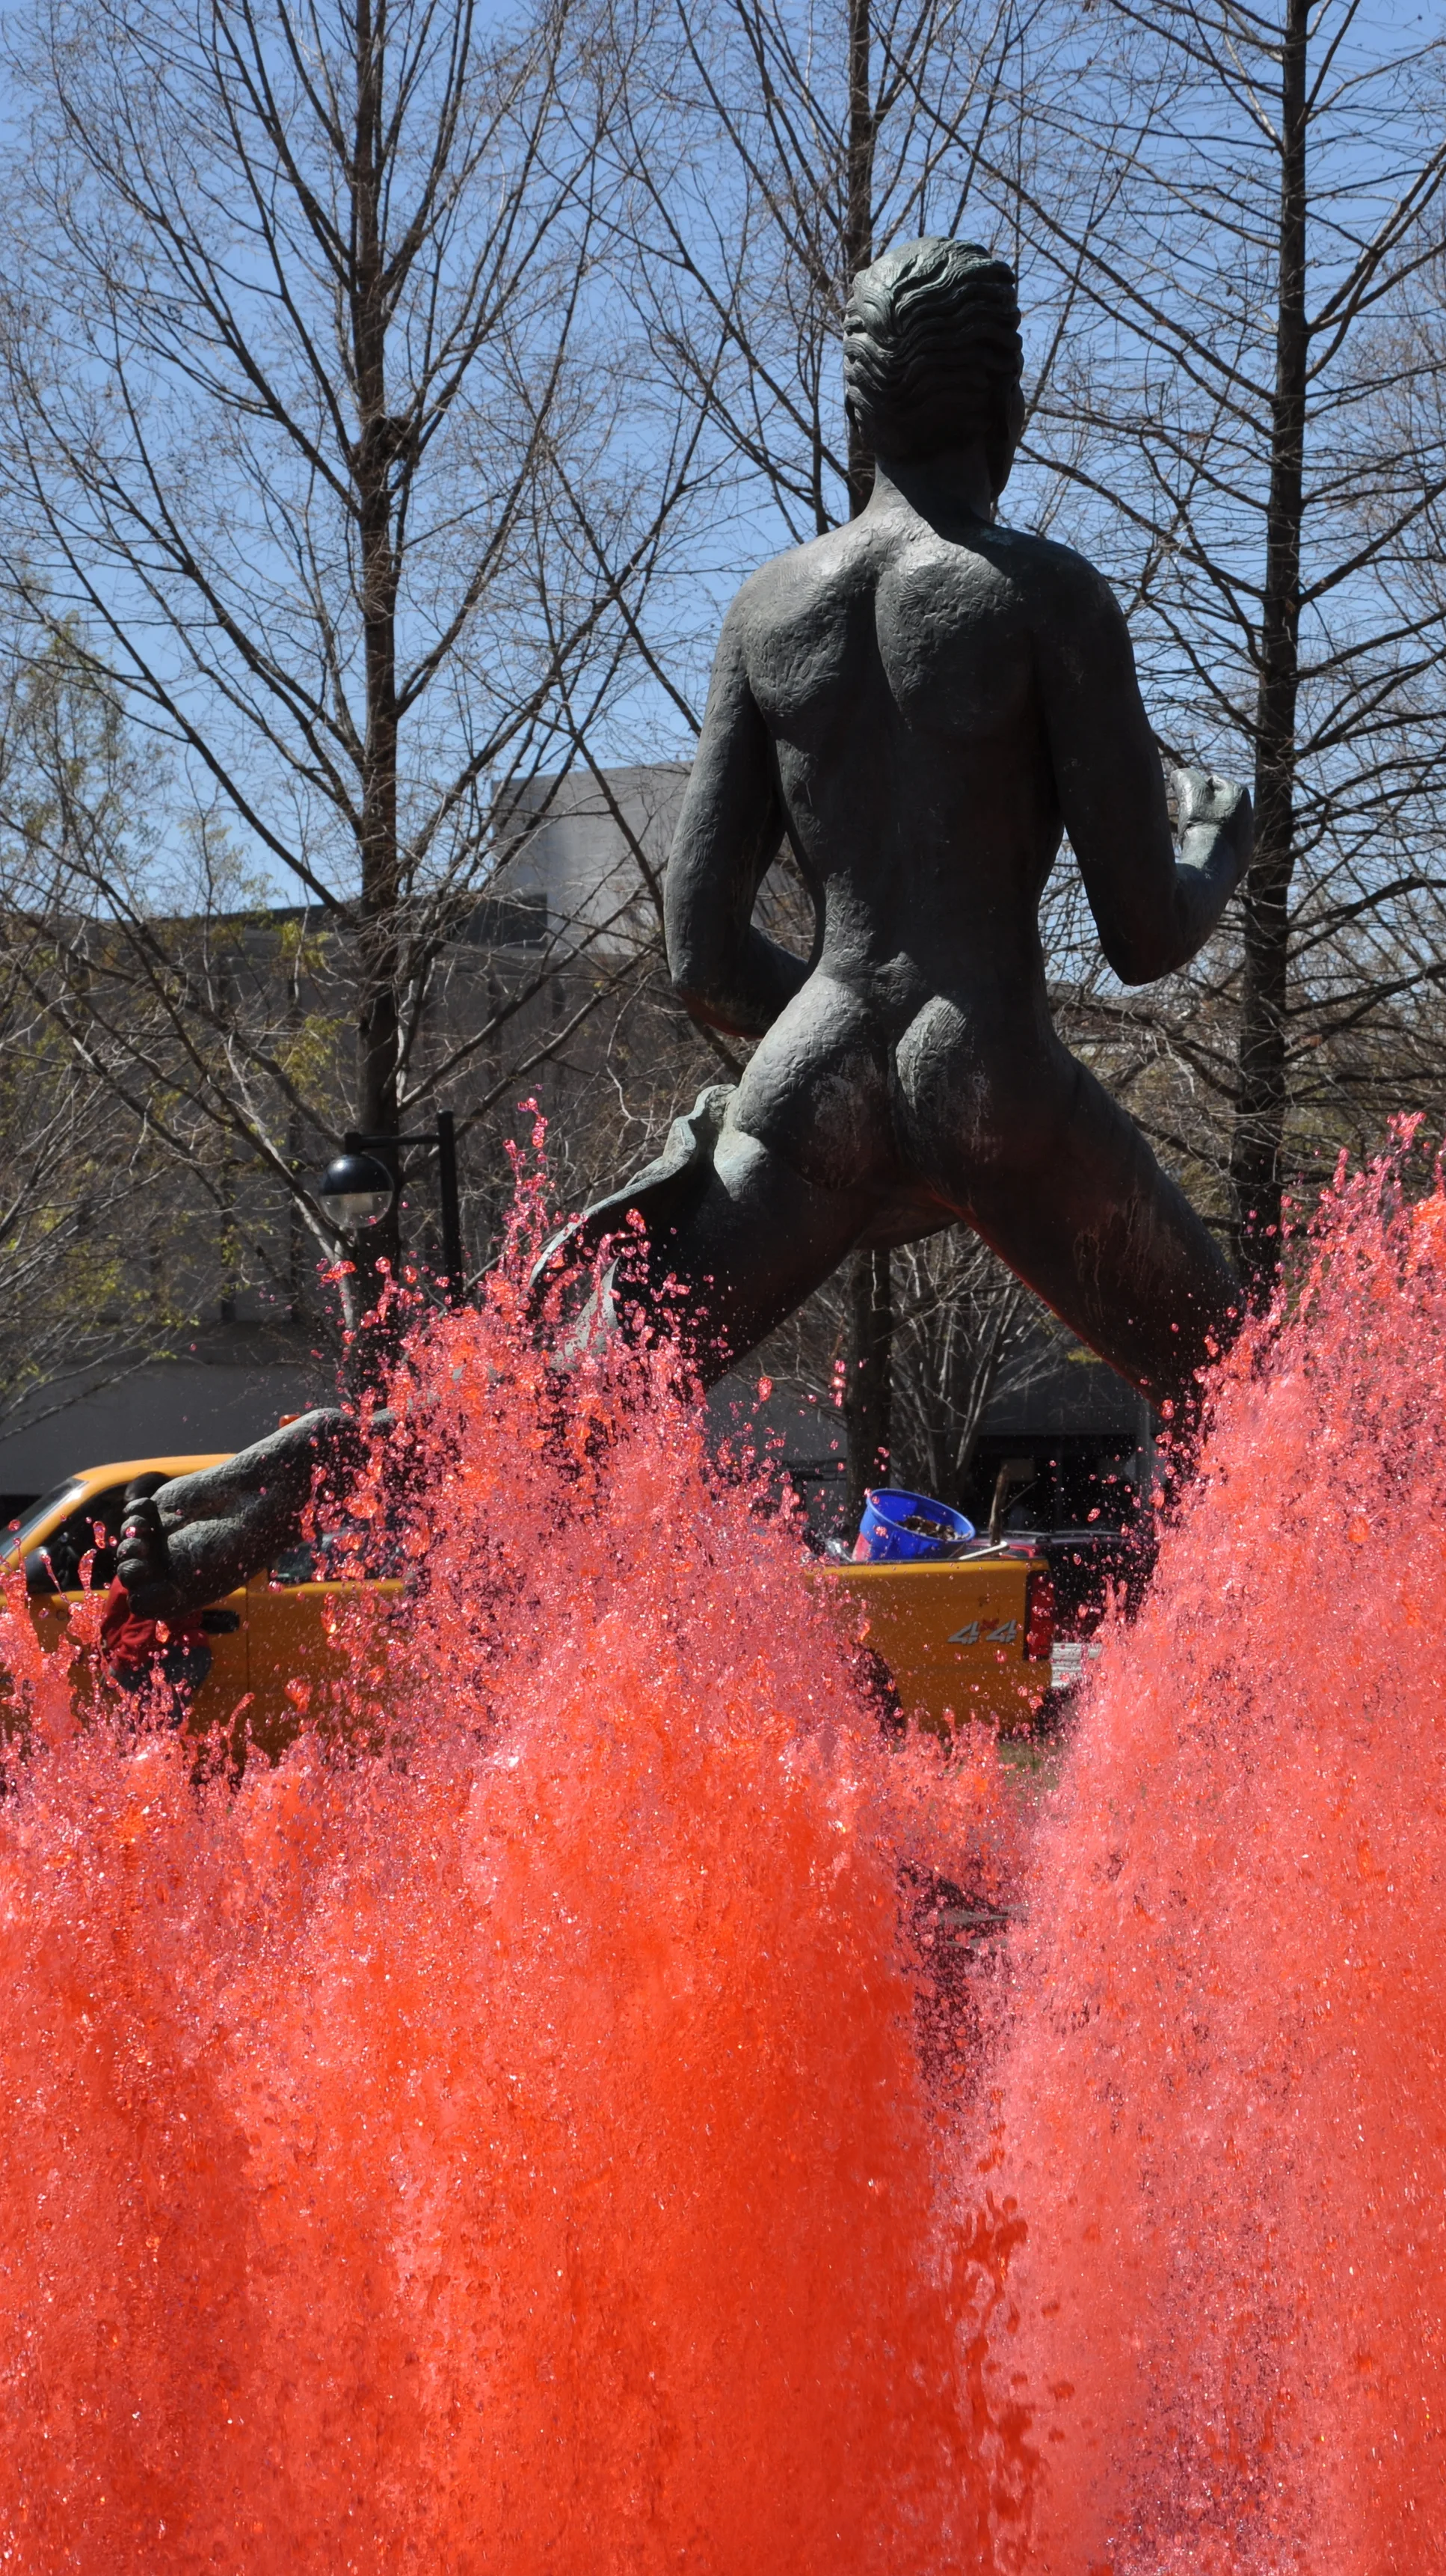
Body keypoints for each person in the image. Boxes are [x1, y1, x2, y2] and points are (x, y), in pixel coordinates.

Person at [114, 236, 1252, 1624]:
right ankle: (1228, 1711)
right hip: (992, 1062)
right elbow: (1142, 936)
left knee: (567, 1419)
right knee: (1243, 1386)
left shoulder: (771, 611)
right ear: (1011, 405)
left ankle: (268, 1494)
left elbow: (700, 955)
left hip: (814, 1058)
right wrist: (1213, 841)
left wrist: (839, 1074)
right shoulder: (1046, 599)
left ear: (858, 411)